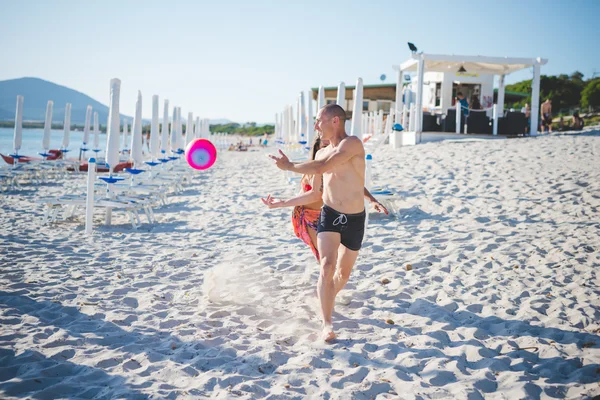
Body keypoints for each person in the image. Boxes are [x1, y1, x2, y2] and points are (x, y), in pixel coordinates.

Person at [269, 104, 369, 342]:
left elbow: (325, 167)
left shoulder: (352, 143)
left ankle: (326, 298)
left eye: (318, 121)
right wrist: (282, 200)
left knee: (343, 275)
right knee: (327, 266)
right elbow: (315, 186)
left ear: (335, 121)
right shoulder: (321, 153)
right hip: (330, 215)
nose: (316, 126)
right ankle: (327, 324)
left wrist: (290, 166)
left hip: (355, 219)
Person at [262, 134, 388, 262]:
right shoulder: (311, 170)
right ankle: (327, 281)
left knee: (334, 259)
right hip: (309, 216)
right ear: (318, 150)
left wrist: (372, 200)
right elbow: (309, 194)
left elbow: (355, 185)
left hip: (331, 216)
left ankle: (329, 281)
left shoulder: (338, 169)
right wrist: (282, 202)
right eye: (325, 146)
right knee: (325, 259)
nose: (329, 150)